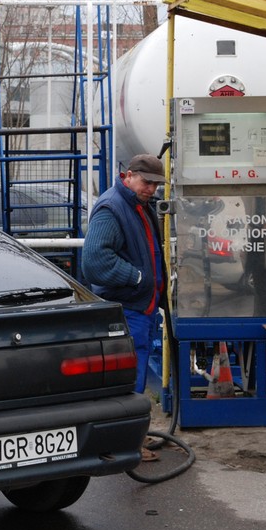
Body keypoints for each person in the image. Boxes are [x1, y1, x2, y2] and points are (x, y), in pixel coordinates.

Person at [82, 154, 165, 460]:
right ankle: (124, 443)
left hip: (140, 307)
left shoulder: (136, 205)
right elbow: (95, 261)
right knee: (130, 380)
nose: (152, 189)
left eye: (157, 184)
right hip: (127, 308)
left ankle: (134, 437)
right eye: (147, 182)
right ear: (128, 175)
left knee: (136, 377)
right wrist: (139, 277)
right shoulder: (112, 208)